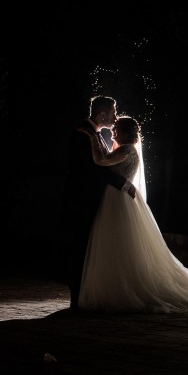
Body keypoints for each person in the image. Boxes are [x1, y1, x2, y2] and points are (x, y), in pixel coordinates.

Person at [77, 116, 188, 313]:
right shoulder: (125, 149)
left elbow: (101, 160)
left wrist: (92, 137)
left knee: (120, 242)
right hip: (117, 197)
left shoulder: (127, 149)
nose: (114, 133)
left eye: (117, 130)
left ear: (126, 133)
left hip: (118, 199)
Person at [60, 95, 136, 310]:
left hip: (93, 201)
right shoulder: (82, 134)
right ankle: (77, 297)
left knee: (88, 248)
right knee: (81, 247)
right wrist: (124, 184)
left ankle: (83, 295)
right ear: (102, 113)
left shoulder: (95, 134)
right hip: (82, 201)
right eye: (113, 111)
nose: (115, 116)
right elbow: (93, 170)